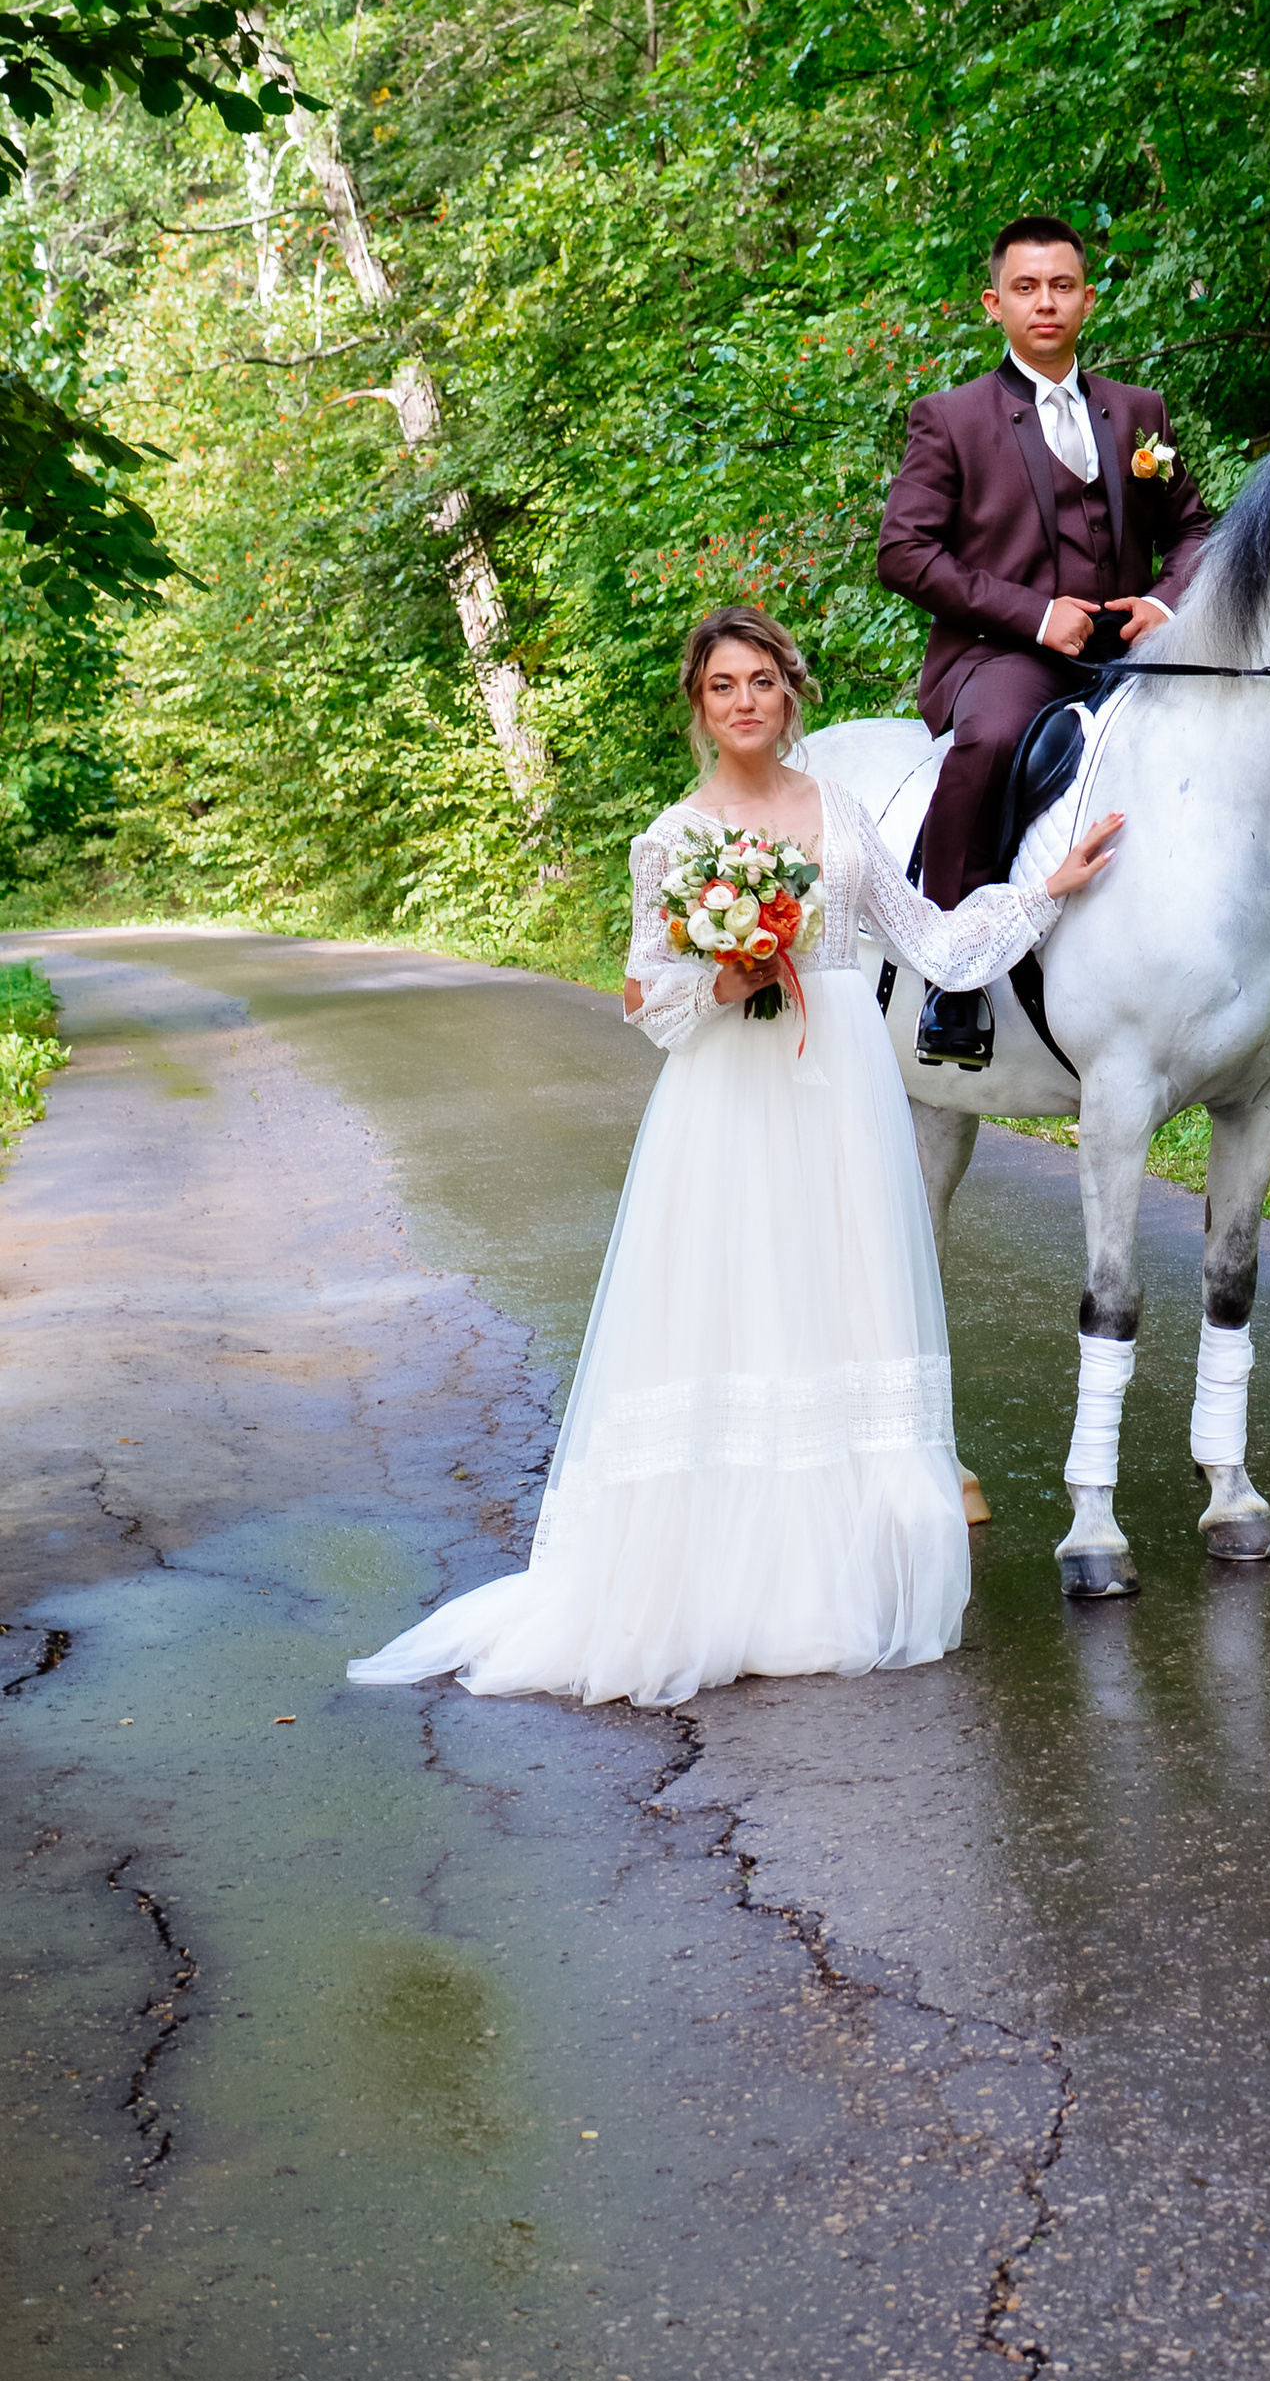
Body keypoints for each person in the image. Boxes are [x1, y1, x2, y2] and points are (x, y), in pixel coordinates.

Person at [348, 606, 1123, 1710]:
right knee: (742, 1297)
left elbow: (934, 942)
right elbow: (641, 994)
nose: (745, 699)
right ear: (699, 706)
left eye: (761, 679)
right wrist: (728, 976)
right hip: (734, 1089)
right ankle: (720, 1580)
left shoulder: (839, 809)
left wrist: (1047, 891)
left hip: (846, 1077)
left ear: (789, 692)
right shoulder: (675, 834)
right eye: (723, 685)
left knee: (839, 1296)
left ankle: (831, 1576)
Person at [877, 215, 1213, 1069]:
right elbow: (904, 552)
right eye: (1025, 288)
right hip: (1004, 651)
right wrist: (1033, 614)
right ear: (995, 303)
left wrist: (1167, 604)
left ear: (1088, 298)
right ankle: (952, 983)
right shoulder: (949, 419)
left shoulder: (1140, 413)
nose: (1045, 302)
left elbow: (1197, 532)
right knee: (989, 740)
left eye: (1062, 285)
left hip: (1127, 647)